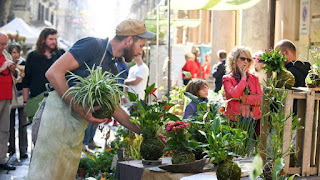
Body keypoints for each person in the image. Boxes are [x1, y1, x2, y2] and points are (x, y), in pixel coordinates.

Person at [27, 19, 154, 179]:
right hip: (53, 121)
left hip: (74, 130)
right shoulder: (93, 46)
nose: (141, 52)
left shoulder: (115, 69)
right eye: (141, 46)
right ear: (129, 40)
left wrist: (148, 132)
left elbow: (115, 108)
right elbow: (53, 73)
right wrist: (78, 107)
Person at [22, 28, 65, 127]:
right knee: (38, 131)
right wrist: (25, 102)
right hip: (37, 99)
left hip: (56, 100)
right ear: (42, 40)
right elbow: (26, 81)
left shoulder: (61, 54)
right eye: (51, 39)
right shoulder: (32, 56)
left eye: (55, 39)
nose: (54, 41)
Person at [222, 46, 262, 152]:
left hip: (252, 121)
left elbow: (260, 99)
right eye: (242, 59)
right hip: (235, 121)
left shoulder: (254, 79)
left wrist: (243, 99)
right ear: (234, 60)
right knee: (235, 152)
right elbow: (233, 95)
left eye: (248, 60)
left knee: (248, 153)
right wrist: (243, 79)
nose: (246, 62)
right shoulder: (227, 79)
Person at [275, 39, 311, 115]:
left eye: (277, 53)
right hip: (306, 118)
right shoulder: (310, 72)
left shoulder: (287, 74)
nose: (275, 57)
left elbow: (278, 100)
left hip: (289, 118)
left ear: (285, 53)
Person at [8, 44, 28, 159]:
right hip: (11, 96)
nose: (14, 55)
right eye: (12, 52)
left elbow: (27, 78)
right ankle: (11, 148)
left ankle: (23, 149)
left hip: (22, 95)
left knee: (23, 123)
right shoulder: (7, 64)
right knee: (10, 124)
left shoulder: (24, 63)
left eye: (16, 52)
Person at [0, 32, 17, 170]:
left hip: (7, 96)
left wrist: (12, 69)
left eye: (5, 44)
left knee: (4, 129)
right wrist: (3, 67)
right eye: (1, 43)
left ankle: (1, 159)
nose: (3, 46)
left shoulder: (5, 54)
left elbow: (14, 76)